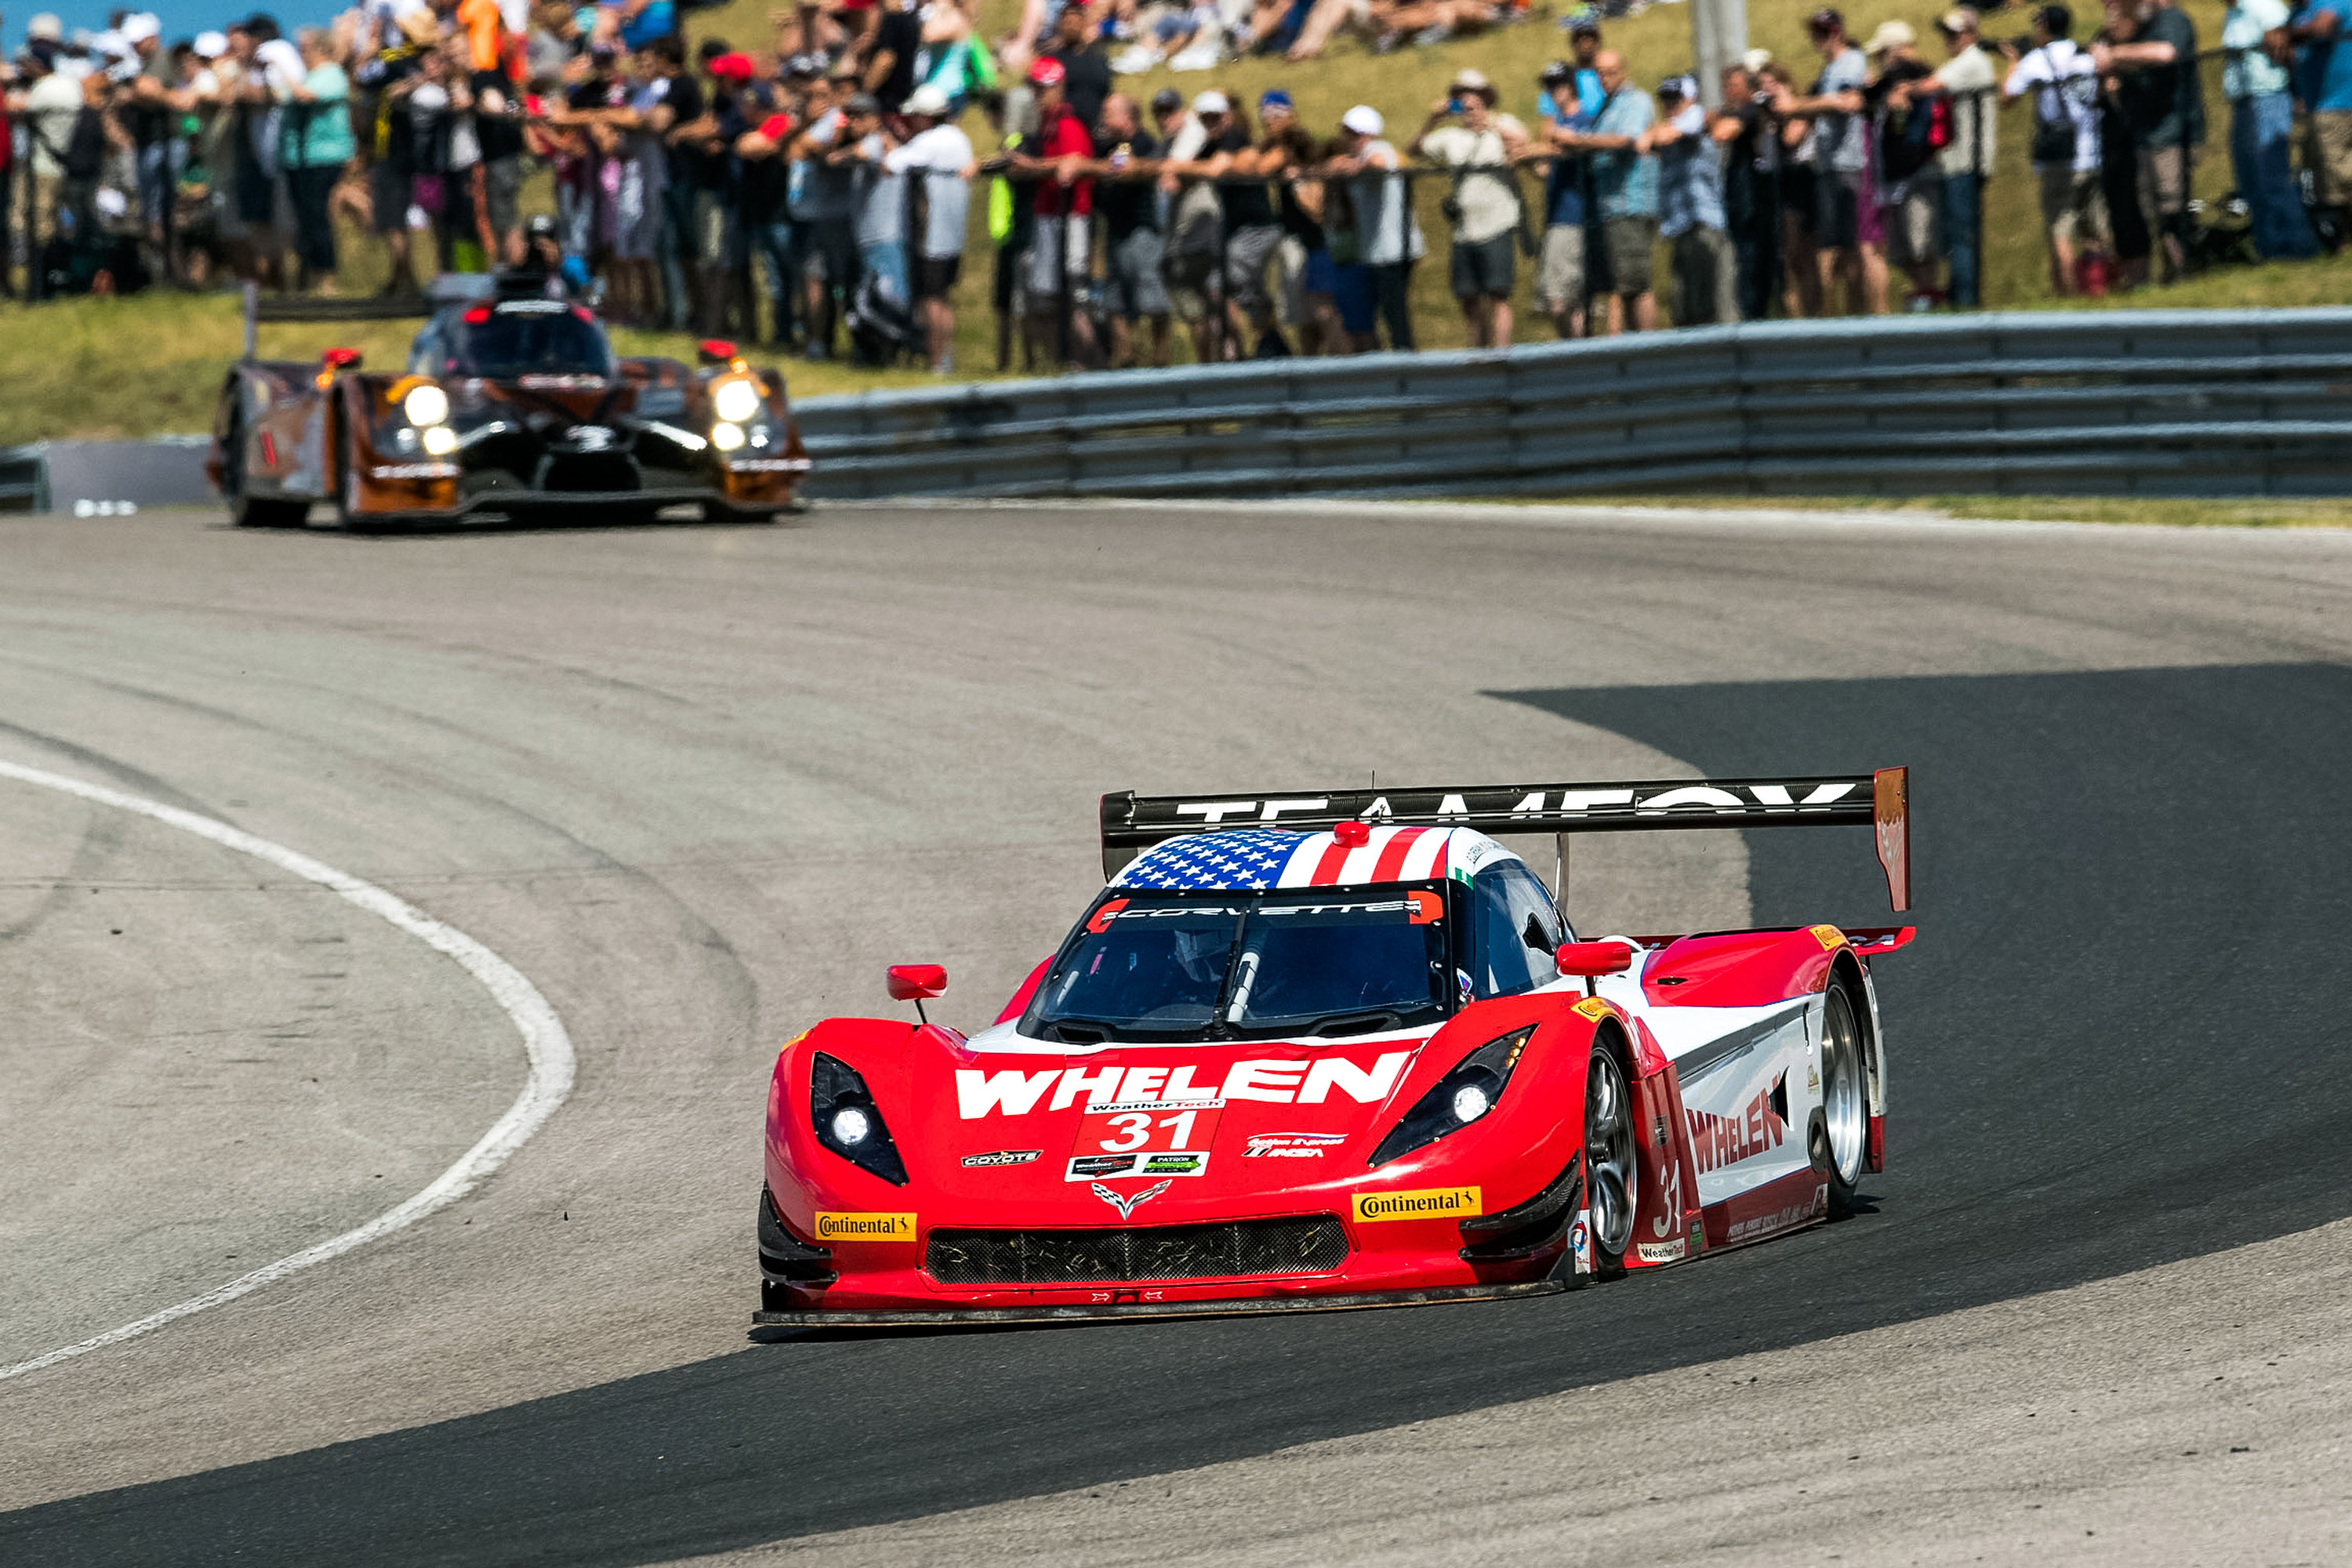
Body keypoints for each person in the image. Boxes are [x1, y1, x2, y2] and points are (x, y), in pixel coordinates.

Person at [1407, 67, 1526, 349]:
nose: (1469, 104)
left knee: (1498, 295)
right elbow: (1413, 150)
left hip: (1497, 223)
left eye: (1474, 97)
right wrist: (1432, 119)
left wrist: (1489, 123)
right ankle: (1477, 352)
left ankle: (1502, 352)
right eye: (1462, 98)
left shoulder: (1502, 124)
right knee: (1468, 297)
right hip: (1464, 230)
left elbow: (1522, 142)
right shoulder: (1450, 137)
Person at [2092, 0, 2204, 285]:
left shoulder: (2172, 19)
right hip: (2145, 135)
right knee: (2155, 211)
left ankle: (2184, 269)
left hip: (2172, 132)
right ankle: (2171, 273)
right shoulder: (2141, 29)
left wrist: (2113, 55)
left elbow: (2166, 52)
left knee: (2172, 206)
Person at [1777, 8, 1878, 314]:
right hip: (1828, 163)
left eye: (1824, 32)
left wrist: (1798, 107)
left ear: (1838, 32)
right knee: (1831, 244)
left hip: (1847, 163)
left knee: (1845, 247)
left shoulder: (1851, 62)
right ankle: (1834, 317)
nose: (1818, 39)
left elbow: (1848, 102)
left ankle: (1851, 315)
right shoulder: (1829, 70)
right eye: (1815, 32)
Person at [2005, 2, 2107, 296]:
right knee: (2095, 228)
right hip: (2092, 151)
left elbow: (2008, 95)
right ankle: (2099, 288)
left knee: (2060, 229)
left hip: (2060, 158)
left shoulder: (2036, 60)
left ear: (2044, 26)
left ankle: (2066, 292)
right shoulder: (2084, 55)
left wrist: (2014, 60)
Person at [1008, 55, 1098, 365]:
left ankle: (1084, 361)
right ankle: (1061, 360)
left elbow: (1072, 162)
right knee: (1050, 298)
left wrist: (1032, 166)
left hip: (1069, 218)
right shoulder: (1046, 126)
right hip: (1049, 216)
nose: (1038, 96)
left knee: (1072, 296)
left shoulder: (1068, 123)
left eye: (1043, 89)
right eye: (1035, 89)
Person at [1559, 49, 1657, 333]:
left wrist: (1580, 141)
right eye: (1599, 73)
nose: (1605, 78)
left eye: (1610, 72)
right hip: (1611, 205)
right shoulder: (1606, 106)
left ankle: (1649, 347)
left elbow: (1625, 140)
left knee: (1636, 283)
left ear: (1624, 69)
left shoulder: (1635, 101)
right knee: (1624, 284)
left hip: (1630, 201)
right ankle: (1635, 344)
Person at [1911, 8, 1998, 309]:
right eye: (1947, 33)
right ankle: (1960, 295)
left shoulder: (1972, 61)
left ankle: (1965, 299)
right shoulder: (1962, 62)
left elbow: (1930, 86)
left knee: (1963, 234)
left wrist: (1905, 89)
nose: (1949, 39)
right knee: (1956, 234)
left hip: (1967, 161)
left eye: (1955, 33)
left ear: (1972, 34)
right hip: (1956, 161)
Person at [887, 82, 975, 372]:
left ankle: (937, 360)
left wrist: (891, 145)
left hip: (933, 234)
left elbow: (891, 165)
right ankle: (945, 357)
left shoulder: (929, 142)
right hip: (954, 236)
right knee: (943, 298)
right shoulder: (959, 138)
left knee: (931, 298)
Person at [2221, 0, 2318, 256]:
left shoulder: (2264, 7)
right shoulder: (2232, 13)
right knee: (2250, 178)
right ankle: (2268, 247)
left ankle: (2297, 246)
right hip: (2242, 100)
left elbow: (2287, 50)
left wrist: (2296, 90)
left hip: (2269, 97)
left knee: (2272, 173)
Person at [1091, 89, 1172, 368]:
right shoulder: (1106, 148)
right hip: (1116, 230)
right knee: (1114, 297)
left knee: (1152, 296)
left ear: (1126, 118)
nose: (1102, 119)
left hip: (1142, 231)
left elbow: (1124, 171)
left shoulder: (1143, 143)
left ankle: (1160, 359)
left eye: (1108, 114)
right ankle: (1125, 357)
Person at [1647, 73, 1736, 325]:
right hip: (1681, 227)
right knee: (1683, 307)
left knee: (1708, 306)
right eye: (1665, 99)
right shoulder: (1673, 126)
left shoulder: (1696, 117)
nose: (1669, 105)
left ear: (1690, 98)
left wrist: (1650, 135)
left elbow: (1674, 131)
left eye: (1675, 98)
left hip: (1703, 226)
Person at [1864, 20, 1938, 311]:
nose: (1879, 63)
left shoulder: (1918, 76)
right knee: (1900, 249)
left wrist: (1903, 68)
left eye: (1881, 55)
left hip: (1916, 169)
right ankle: (1924, 294)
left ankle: (1928, 299)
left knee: (1920, 243)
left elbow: (1926, 79)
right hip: (1894, 174)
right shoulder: (1890, 83)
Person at [278, 25, 353, 293]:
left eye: (304, 48)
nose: (301, 53)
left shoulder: (331, 74)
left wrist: (279, 71)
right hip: (299, 159)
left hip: (325, 157)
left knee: (317, 214)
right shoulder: (307, 76)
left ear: (321, 48)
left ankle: (326, 278)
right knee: (304, 218)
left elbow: (302, 96)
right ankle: (305, 276)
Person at [1716, 63, 1784, 321]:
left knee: (1754, 264)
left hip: (1753, 204)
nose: (1728, 92)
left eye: (1733, 86)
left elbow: (1723, 132)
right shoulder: (1745, 112)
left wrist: (1714, 122)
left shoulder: (1749, 111)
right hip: (1747, 203)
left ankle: (1756, 317)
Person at [1533, 59, 1595, 337]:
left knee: (1561, 300)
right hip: (1556, 217)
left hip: (1573, 219)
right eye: (1549, 87)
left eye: (1559, 85)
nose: (1554, 92)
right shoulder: (1557, 125)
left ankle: (1575, 354)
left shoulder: (1581, 121)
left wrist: (1531, 150)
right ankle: (1576, 356)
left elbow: (1566, 149)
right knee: (1567, 301)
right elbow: (1545, 169)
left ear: (1571, 87)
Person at [2292, 0, 2352, 239]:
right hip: (2316, 105)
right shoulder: (2297, 11)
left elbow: (2322, 27)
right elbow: (2288, 54)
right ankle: (2345, 238)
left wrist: (2286, 35)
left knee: (2341, 174)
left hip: (2340, 103)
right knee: (2326, 181)